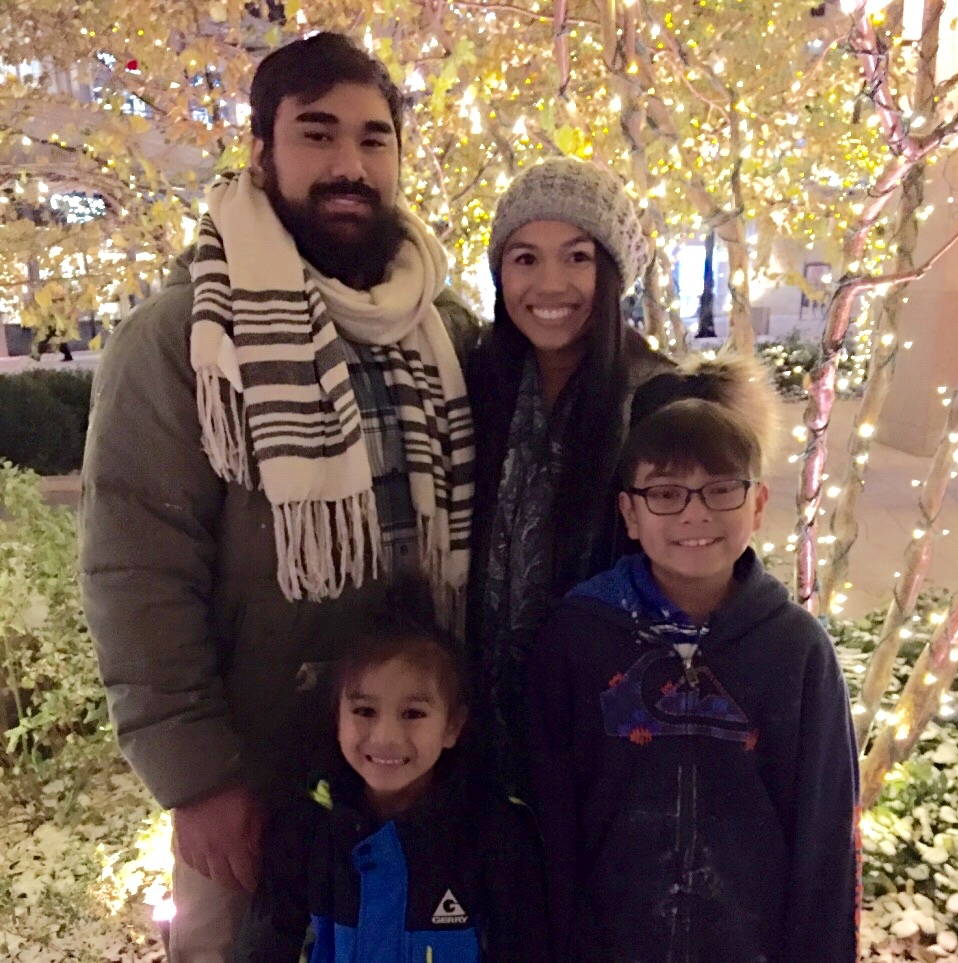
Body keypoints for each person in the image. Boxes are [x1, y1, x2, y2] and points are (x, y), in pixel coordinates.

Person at [80, 32, 476, 963]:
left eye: (374, 139)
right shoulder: (185, 340)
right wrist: (196, 781)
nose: (349, 165)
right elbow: (136, 575)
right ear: (261, 152)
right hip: (256, 774)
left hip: (413, 768)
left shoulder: (439, 328)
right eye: (317, 134)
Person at [527, 353, 861, 963]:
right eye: (666, 493)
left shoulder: (795, 651)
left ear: (757, 505)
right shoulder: (579, 639)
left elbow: (827, 836)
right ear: (629, 513)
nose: (694, 513)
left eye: (720, 490)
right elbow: (550, 818)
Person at [467, 156, 672, 790]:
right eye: (525, 258)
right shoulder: (475, 385)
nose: (550, 284)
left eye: (578, 257)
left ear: (612, 273)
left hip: (608, 747)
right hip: (475, 740)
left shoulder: (659, 402)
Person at [232, 580, 553, 963]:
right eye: (365, 711)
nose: (385, 737)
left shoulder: (495, 833)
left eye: (413, 714)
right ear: (337, 717)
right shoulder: (305, 830)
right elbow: (266, 948)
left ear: (452, 726)